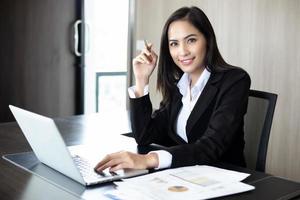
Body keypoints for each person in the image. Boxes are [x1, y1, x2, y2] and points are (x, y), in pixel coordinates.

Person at [95, 6, 251, 173]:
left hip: (225, 180)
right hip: (185, 177)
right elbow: (144, 136)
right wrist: (141, 81)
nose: (182, 51)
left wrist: (149, 159)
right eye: (174, 44)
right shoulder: (179, 87)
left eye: (191, 40)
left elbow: (211, 146)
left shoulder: (234, 80)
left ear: (207, 39)